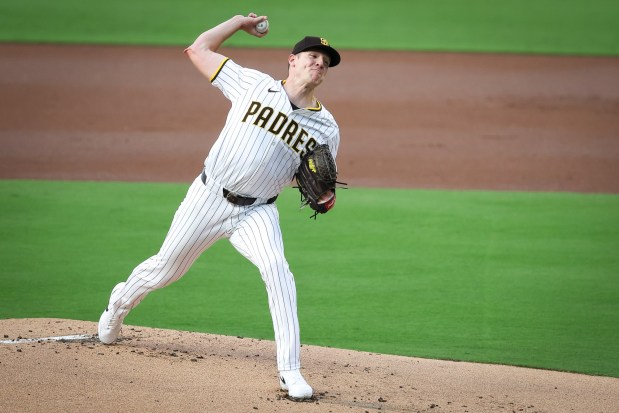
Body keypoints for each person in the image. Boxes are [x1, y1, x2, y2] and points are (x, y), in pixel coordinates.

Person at [97, 12, 342, 400]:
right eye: (312, 56)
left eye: (325, 62)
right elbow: (198, 49)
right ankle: (119, 303)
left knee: (278, 270)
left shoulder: (326, 127)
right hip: (208, 198)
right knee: (165, 270)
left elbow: (313, 180)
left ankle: (290, 371)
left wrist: (323, 196)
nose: (319, 63)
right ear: (292, 61)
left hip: (258, 211)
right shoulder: (252, 84)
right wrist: (236, 23)